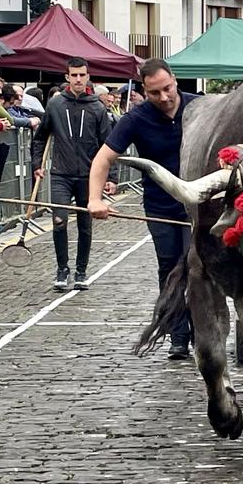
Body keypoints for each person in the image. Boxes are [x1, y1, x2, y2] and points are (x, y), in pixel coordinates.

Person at [89, 58, 196, 357]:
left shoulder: (200, 107)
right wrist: (94, 199)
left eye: (167, 89)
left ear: (175, 80)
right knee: (169, 267)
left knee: (197, 267)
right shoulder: (136, 119)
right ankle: (178, 334)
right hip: (160, 205)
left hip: (197, 206)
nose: (163, 98)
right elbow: (102, 159)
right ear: (144, 91)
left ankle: (202, 331)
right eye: (154, 93)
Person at [32, 57, 113, 291]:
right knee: (59, 221)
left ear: (88, 76)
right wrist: (37, 164)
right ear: (67, 77)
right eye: (74, 75)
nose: (78, 79)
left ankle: (81, 271)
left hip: (89, 177)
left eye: (82, 75)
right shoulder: (55, 105)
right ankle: (61, 269)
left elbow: (108, 146)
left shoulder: (98, 107)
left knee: (85, 225)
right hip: (61, 174)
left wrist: (111, 177)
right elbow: (40, 138)